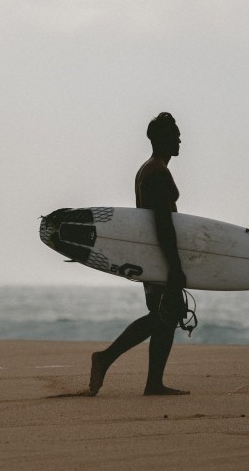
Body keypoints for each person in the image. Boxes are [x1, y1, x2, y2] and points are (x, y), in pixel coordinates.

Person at [86, 112, 190, 396]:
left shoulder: (148, 169)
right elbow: (162, 223)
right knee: (163, 315)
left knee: (165, 314)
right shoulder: (157, 172)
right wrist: (174, 265)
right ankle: (106, 358)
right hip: (158, 255)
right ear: (163, 139)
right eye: (175, 135)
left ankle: (153, 382)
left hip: (151, 254)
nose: (180, 139)